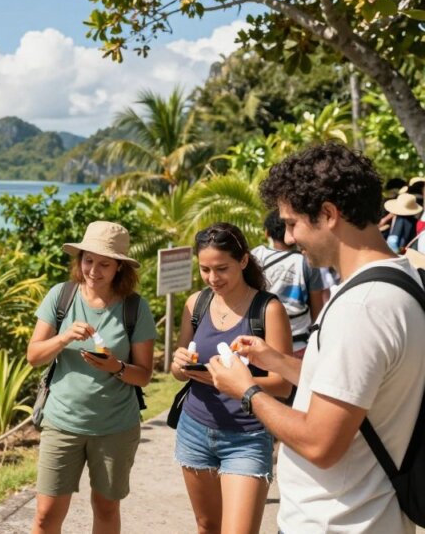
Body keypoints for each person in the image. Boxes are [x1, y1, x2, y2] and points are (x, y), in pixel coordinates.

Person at [208, 143, 425, 532]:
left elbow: (321, 444)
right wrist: (276, 361)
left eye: (292, 223)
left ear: (328, 214)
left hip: (337, 521)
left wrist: (246, 390)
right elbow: (356, 387)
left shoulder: (363, 307)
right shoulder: (403, 280)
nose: (289, 238)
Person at [26, 220, 157, 534]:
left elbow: (144, 376)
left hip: (115, 427)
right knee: (45, 515)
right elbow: (34, 356)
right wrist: (64, 338)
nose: (94, 270)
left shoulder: (135, 308)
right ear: (79, 260)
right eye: (88, 260)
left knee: (106, 509)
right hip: (62, 422)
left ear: (119, 268)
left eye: (104, 264)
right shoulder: (61, 297)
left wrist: (116, 367)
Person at [169, 222, 292, 534]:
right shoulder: (196, 303)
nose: (213, 278)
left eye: (221, 268)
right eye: (205, 269)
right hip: (194, 429)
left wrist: (235, 385)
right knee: (207, 526)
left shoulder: (268, 309)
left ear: (243, 261)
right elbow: (176, 370)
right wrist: (179, 363)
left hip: (247, 436)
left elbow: (283, 383)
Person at [250, 210, 325, 357]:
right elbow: (317, 307)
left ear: (267, 233)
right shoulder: (306, 261)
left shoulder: (255, 256)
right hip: (297, 342)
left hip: (261, 339)